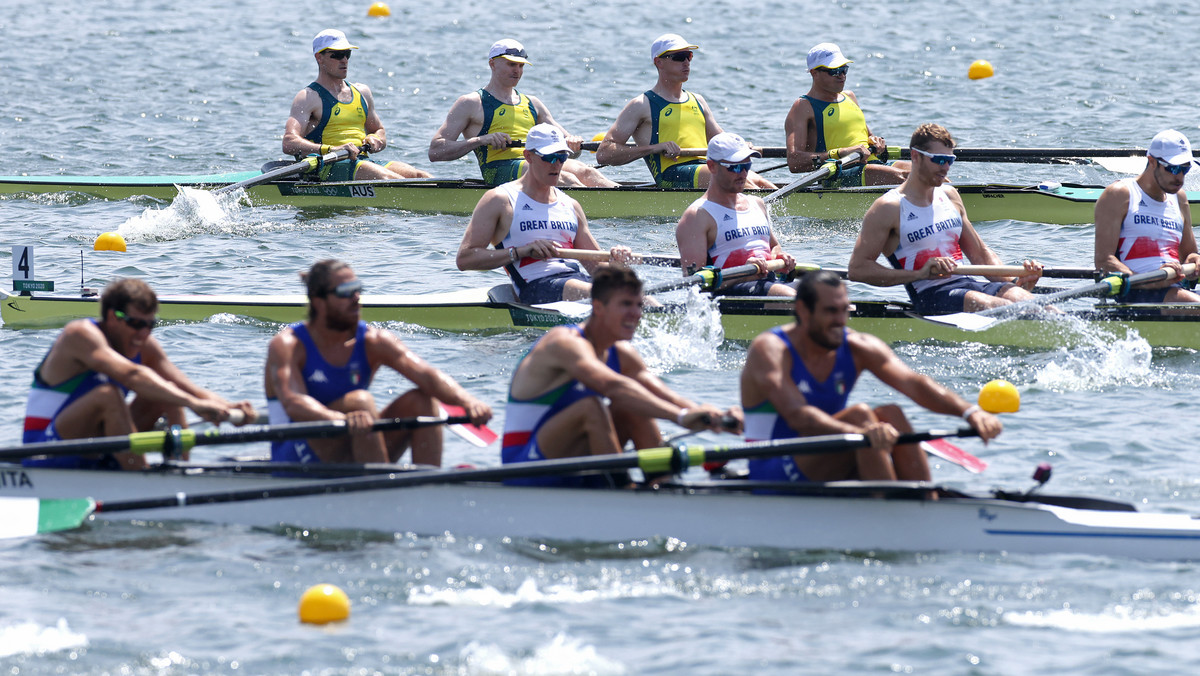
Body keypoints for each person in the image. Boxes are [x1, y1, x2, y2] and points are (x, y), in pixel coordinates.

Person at [741, 270, 1002, 483]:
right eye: (830, 311)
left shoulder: (856, 346)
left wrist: (970, 413)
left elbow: (913, 383)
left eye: (844, 310)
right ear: (803, 311)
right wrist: (860, 432)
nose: (841, 320)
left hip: (828, 456)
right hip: (772, 469)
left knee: (891, 414)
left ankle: (923, 501)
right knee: (862, 415)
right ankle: (891, 512)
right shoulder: (771, 350)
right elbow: (799, 416)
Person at [501, 265, 742, 487]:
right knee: (591, 406)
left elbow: (658, 395)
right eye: (626, 304)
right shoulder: (564, 343)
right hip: (525, 466)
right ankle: (622, 487)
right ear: (598, 307)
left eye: (639, 305)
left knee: (634, 407)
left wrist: (712, 417)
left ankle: (663, 483)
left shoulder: (623, 354)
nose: (636, 314)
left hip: (571, 458)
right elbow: (613, 387)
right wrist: (680, 417)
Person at [264, 260, 492, 466]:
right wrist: (343, 420)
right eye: (346, 292)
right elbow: (293, 402)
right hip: (299, 454)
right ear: (319, 301)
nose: (356, 299)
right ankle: (383, 492)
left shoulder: (374, 341)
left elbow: (427, 375)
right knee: (360, 402)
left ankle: (428, 489)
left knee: (422, 401)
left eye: (358, 290)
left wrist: (468, 402)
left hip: (359, 440)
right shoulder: (288, 345)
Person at [21, 279, 254, 470]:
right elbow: (132, 375)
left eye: (149, 325)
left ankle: (181, 470)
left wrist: (228, 407)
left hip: (94, 447)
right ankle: (140, 474)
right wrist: (194, 404)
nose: (143, 334)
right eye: (135, 324)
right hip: (44, 452)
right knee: (108, 395)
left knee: (168, 391)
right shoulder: (79, 335)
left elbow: (185, 386)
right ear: (113, 317)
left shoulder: (144, 345)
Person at [848, 123, 1044, 314]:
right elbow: (858, 269)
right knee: (1012, 311)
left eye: (950, 160)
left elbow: (980, 254)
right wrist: (920, 273)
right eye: (939, 160)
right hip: (932, 294)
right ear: (915, 156)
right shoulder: (888, 207)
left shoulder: (950, 195)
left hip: (969, 284)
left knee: (1040, 307)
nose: (946, 168)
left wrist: (1014, 281)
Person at [457, 123, 634, 304]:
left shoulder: (571, 205)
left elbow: (600, 272)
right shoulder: (500, 200)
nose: (557, 164)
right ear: (528, 156)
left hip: (577, 282)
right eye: (549, 157)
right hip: (536, 287)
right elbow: (465, 259)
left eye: (562, 156)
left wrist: (617, 264)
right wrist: (520, 252)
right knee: (619, 298)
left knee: (635, 296)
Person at [428, 39, 617, 188]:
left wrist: (573, 145)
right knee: (565, 178)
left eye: (521, 66)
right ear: (492, 64)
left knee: (587, 172)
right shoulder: (471, 103)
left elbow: (570, 153)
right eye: (511, 64)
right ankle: (596, 211)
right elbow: (435, 151)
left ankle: (624, 199)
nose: (517, 71)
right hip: (498, 169)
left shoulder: (533, 103)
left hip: (537, 162)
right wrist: (482, 140)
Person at [595, 33, 775, 190]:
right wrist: (655, 148)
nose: (686, 62)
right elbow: (604, 153)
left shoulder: (698, 100)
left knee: (757, 180)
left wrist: (741, 146)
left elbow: (720, 140)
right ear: (659, 62)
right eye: (679, 57)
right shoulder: (642, 104)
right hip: (671, 175)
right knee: (735, 178)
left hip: (707, 167)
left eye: (689, 56)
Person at [283, 29, 431, 181]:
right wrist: (330, 149)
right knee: (389, 179)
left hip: (361, 160)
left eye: (347, 54)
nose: (344, 60)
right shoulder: (308, 97)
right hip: (328, 166)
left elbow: (379, 130)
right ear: (319, 57)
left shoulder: (362, 92)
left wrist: (376, 139)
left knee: (421, 176)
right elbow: (289, 142)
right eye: (337, 55)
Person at [675, 132, 798, 296]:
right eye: (735, 167)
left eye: (747, 166)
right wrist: (743, 273)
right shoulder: (697, 217)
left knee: (824, 288)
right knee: (797, 299)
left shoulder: (757, 204)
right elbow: (695, 285)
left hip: (766, 283)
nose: (743, 174)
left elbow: (773, 246)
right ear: (712, 166)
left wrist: (779, 257)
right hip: (729, 294)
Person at [1094, 129, 1200, 308]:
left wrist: (1194, 261)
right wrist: (1151, 282)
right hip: (1136, 294)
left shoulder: (1180, 198)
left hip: (1176, 290)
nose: (1180, 177)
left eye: (1185, 169)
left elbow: (1189, 254)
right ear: (1152, 161)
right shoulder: (1119, 194)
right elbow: (1104, 262)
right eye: (1173, 168)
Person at [784, 43, 910, 187]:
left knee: (925, 172)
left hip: (873, 164)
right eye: (835, 71)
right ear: (814, 73)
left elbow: (866, 138)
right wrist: (841, 152)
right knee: (910, 178)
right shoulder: (803, 107)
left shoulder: (850, 97)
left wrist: (876, 142)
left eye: (844, 69)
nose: (842, 76)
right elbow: (794, 162)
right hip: (840, 173)